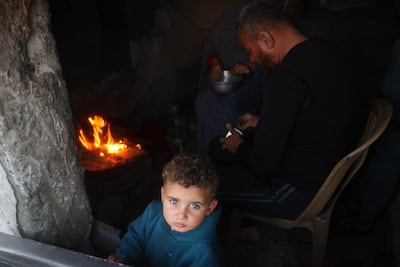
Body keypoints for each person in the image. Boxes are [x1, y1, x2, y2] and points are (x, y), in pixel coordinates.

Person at [209, 0, 363, 221]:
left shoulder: (285, 78)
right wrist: (263, 123)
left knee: (206, 182)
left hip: (301, 191)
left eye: (250, 50)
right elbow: (316, 116)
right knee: (221, 145)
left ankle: (233, 232)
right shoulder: (331, 53)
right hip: (326, 168)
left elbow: (263, 165)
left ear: (266, 39)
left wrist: (239, 145)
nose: (252, 59)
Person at [108, 153, 222, 267]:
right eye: (173, 201)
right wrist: (124, 259)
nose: (181, 215)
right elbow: (135, 238)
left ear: (210, 208)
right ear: (163, 195)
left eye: (195, 206)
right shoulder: (152, 213)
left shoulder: (205, 252)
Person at [195, 2, 264, 156]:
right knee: (203, 101)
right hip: (225, 79)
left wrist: (249, 66)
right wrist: (214, 63)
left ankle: (227, 154)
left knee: (227, 107)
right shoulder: (226, 19)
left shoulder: (263, 18)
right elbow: (210, 48)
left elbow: (271, 62)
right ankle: (205, 157)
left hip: (251, 82)